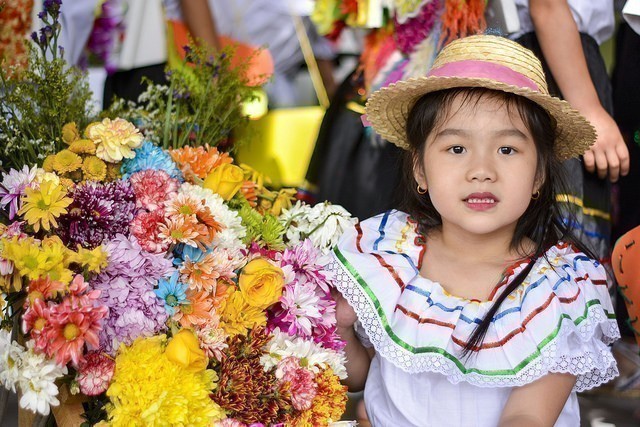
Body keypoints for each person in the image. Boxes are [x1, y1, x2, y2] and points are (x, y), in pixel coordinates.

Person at [327, 35, 620, 425]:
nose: (481, 169)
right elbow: (358, 376)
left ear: (539, 176)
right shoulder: (387, 254)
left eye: (507, 150)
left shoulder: (557, 290)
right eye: (457, 149)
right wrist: (341, 327)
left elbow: (528, 418)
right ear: (419, 169)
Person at [511, 0, 630, 270]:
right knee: (561, 236)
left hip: (565, 60)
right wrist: (588, 108)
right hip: (557, 65)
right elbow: (547, 5)